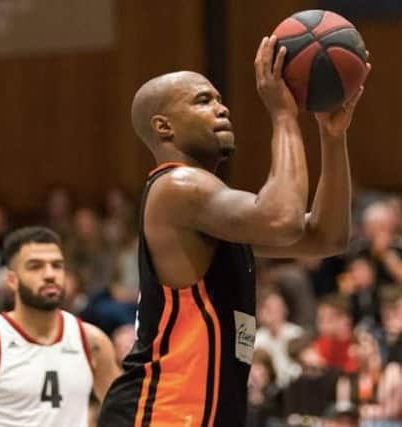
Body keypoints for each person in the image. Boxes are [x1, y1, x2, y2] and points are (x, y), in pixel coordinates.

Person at [98, 35, 368, 426]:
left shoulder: (212, 208)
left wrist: (332, 135)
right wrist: (282, 116)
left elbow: (327, 237)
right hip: (162, 412)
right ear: (164, 127)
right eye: (202, 101)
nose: (222, 109)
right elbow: (283, 219)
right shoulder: (177, 188)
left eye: (219, 99)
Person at [0, 226, 121, 427]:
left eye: (57, 265)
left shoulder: (92, 341)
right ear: (12, 280)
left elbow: (125, 413)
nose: (49, 274)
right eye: (35, 266)